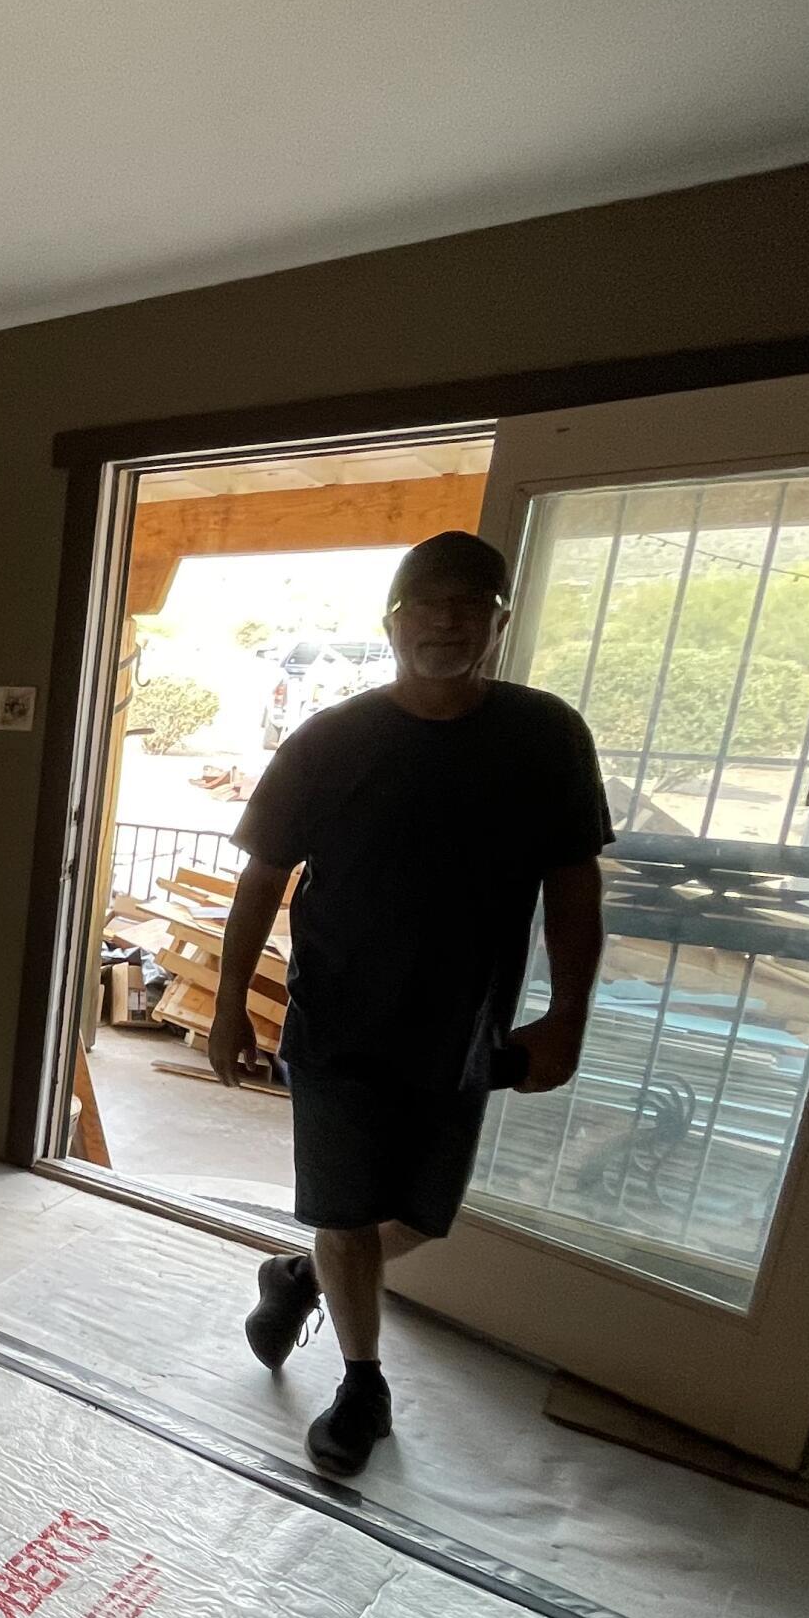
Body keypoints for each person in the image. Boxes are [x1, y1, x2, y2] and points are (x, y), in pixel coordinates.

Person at [208, 530, 611, 1477]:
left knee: (425, 1216)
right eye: (426, 606)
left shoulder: (545, 736)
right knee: (347, 1208)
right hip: (338, 1016)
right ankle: (361, 1383)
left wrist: (567, 1018)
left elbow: (574, 886)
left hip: (465, 1025)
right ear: (393, 623)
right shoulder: (330, 741)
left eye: (469, 607)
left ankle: (299, 1276)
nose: (446, 623)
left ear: (499, 623)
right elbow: (262, 880)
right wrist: (231, 1002)